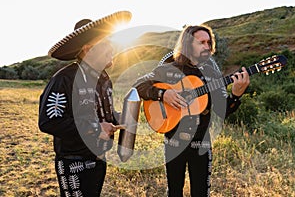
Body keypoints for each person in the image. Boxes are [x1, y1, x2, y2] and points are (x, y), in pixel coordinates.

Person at [133, 24, 250, 196]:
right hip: (173, 143)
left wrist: (236, 96)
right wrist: (162, 94)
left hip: (201, 144)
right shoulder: (168, 68)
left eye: (209, 42)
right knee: (174, 191)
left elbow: (222, 111)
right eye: (201, 42)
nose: (207, 46)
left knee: (201, 192)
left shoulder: (212, 74)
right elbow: (138, 85)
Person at [38, 11, 131, 196]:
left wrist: (123, 117)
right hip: (74, 163)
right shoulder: (65, 78)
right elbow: (49, 121)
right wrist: (97, 128)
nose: (112, 49)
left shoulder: (104, 79)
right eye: (106, 44)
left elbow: (105, 115)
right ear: (88, 49)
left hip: (99, 160)